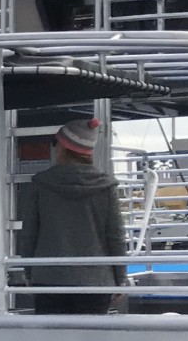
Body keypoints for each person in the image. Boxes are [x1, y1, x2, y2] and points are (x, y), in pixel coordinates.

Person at [19, 117, 126, 314]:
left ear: (63, 147)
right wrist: (120, 278)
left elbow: (29, 234)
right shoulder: (106, 186)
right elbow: (116, 236)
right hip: (97, 281)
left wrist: (29, 273)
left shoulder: (41, 184)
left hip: (48, 278)